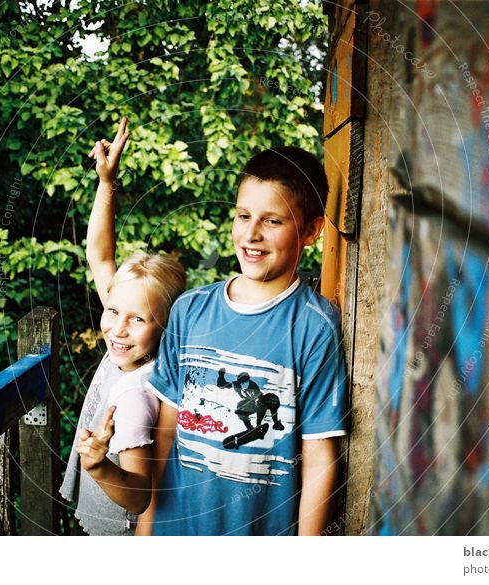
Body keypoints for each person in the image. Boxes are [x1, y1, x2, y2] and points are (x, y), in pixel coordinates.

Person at [138, 146, 347, 535]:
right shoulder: (189, 310)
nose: (251, 234)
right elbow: (165, 432)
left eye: (272, 221)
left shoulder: (315, 326)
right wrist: (146, 528)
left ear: (311, 231)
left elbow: (319, 454)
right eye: (243, 216)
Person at [59, 117, 186, 535]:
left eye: (137, 319)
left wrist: (96, 465)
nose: (118, 329)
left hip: (120, 530)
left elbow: (139, 496)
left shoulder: (136, 397)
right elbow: (99, 254)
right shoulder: (131, 344)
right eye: (113, 311)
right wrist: (106, 182)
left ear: (164, 325)